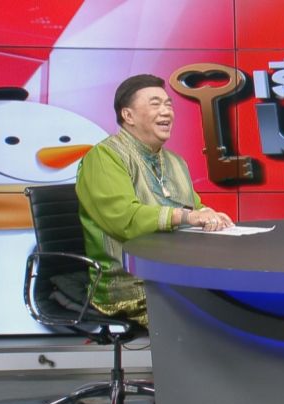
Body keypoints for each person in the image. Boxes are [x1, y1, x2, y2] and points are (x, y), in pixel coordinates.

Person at [76, 74, 233, 327]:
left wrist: (209, 214)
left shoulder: (175, 161)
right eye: (155, 104)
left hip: (178, 275)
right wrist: (185, 216)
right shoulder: (104, 157)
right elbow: (125, 219)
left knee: (235, 306)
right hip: (129, 284)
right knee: (208, 322)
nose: (166, 111)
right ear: (128, 116)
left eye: (169, 104)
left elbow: (193, 207)